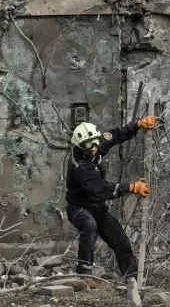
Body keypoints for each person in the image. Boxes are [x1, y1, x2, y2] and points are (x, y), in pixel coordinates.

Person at [66, 116, 158, 282]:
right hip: (78, 207)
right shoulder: (80, 166)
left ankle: (135, 279)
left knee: (120, 239)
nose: (94, 148)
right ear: (80, 146)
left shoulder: (95, 145)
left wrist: (137, 124)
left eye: (95, 142)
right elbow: (101, 189)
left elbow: (115, 135)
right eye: (88, 145)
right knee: (89, 225)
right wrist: (131, 187)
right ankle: (85, 275)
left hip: (97, 206)